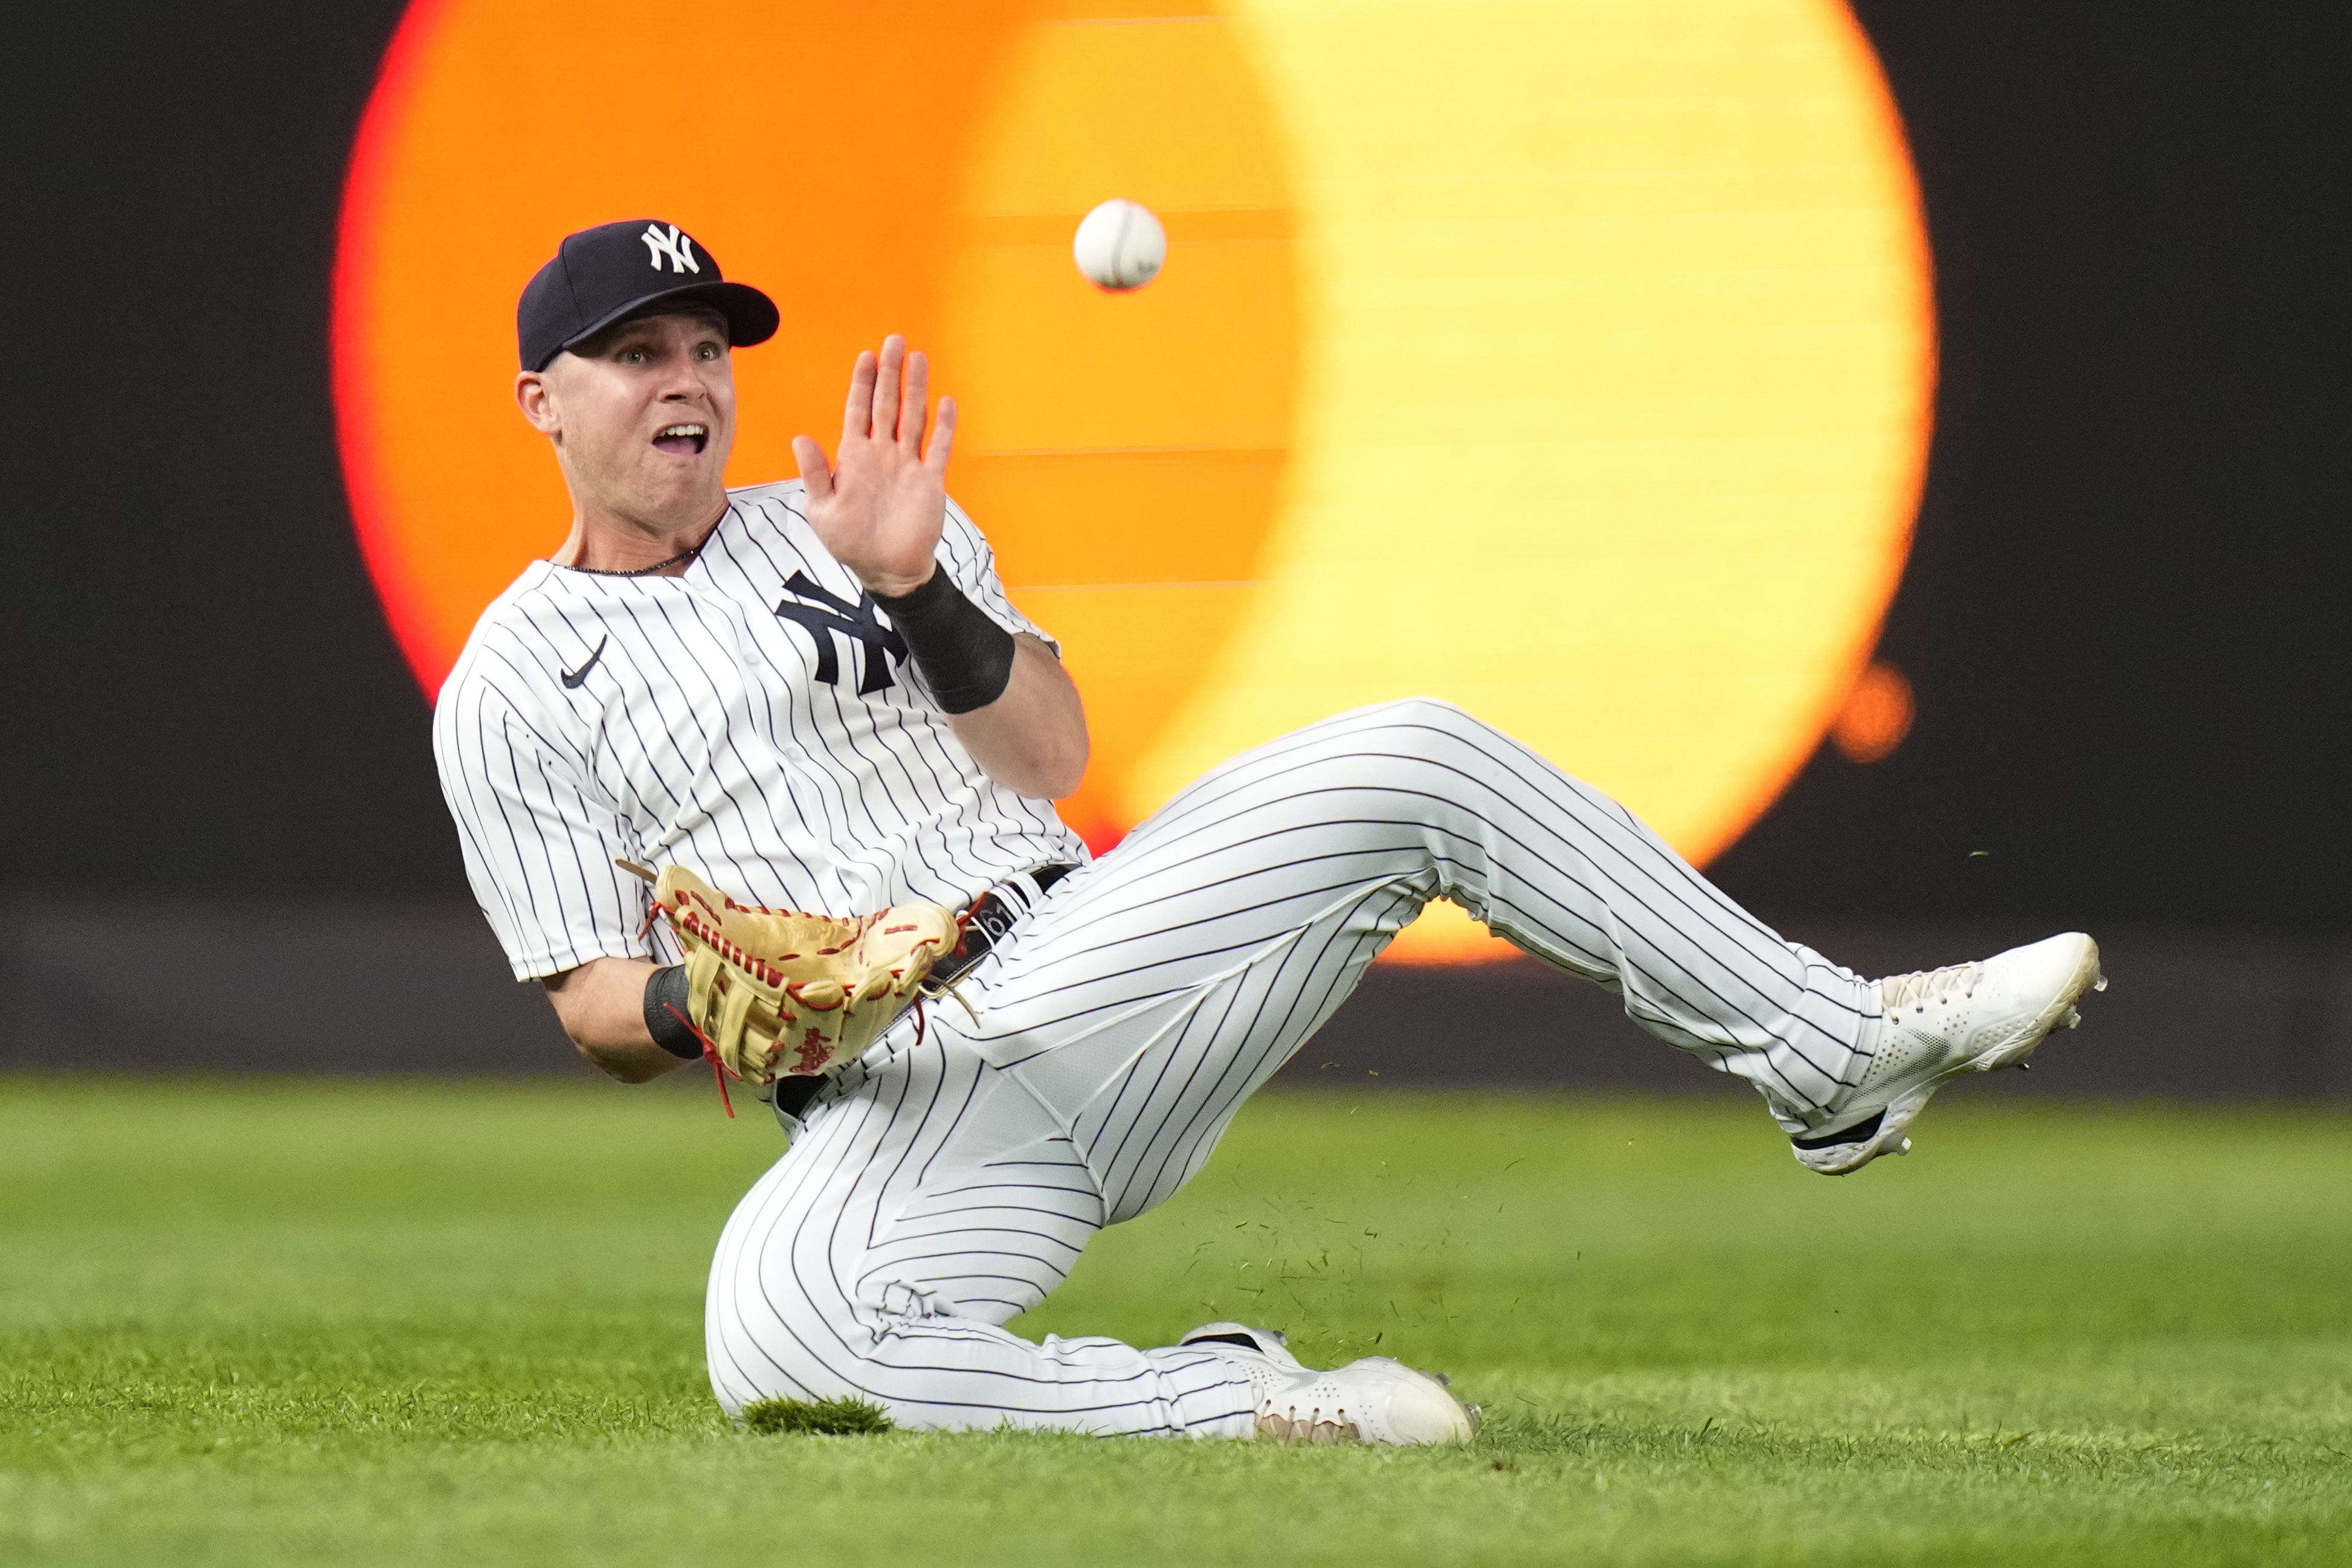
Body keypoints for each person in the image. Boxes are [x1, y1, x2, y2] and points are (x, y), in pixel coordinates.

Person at [432, 219, 2104, 1445]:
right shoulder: (509, 680)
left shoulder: (854, 517)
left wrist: (912, 581)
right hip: (903, 1102)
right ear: (540, 401)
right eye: (641, 352)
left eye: (710, 348)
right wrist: (708, 1002)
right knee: (775, 1340)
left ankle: (1830, 1050)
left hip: (1093, 965)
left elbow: (1049, 751)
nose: (691, 381)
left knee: (1417, 754)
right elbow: (592, 1001)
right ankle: (1244, 1398)